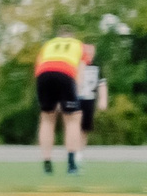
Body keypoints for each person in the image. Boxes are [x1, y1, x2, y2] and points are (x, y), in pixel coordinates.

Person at [33, 31, 84, 174]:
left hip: (44, 74)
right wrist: (77, 94)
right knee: (72, 119)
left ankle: (47, 163)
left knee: (47, 118)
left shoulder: (48, 44)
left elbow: (38, 67)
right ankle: (71, 164)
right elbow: (81, 70)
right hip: (65, 72)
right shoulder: (78, 45)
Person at [73, 42, 109, 171]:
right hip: (76, 99)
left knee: (85, 129)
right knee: (74, 126)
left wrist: (103, 100)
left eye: (92, 51)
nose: (90, 54)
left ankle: (79, 154)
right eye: (87, 51)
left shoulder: (97, 66)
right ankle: (73, 154)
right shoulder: (75, 64)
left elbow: (102, 84)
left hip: (90, 99)